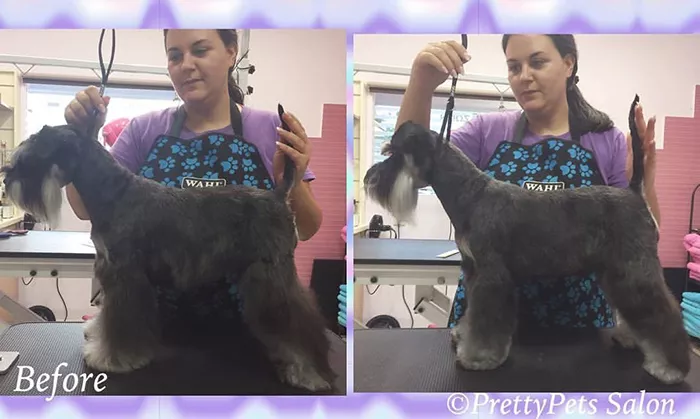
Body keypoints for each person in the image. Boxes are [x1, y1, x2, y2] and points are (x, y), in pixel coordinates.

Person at [397, 34, 659, 337]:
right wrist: (421, 83)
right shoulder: (484, 131)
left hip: (583, 331)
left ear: (568, 64)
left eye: (537, 62)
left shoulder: (607, 140)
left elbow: (641, 237)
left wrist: (646, 180)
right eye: (514, 67)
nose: (524, 76)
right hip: (487, 327)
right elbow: (410, 173)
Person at [63, 29, 323, 332]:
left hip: (248, 331)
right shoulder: (142, 131)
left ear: (231, 52)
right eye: (175, 56)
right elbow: (84, 209)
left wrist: (288, 180)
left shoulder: (270, 129)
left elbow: (307, 228)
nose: (186, 65)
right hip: (154, 331)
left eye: (200, 51)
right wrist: (82, 141)